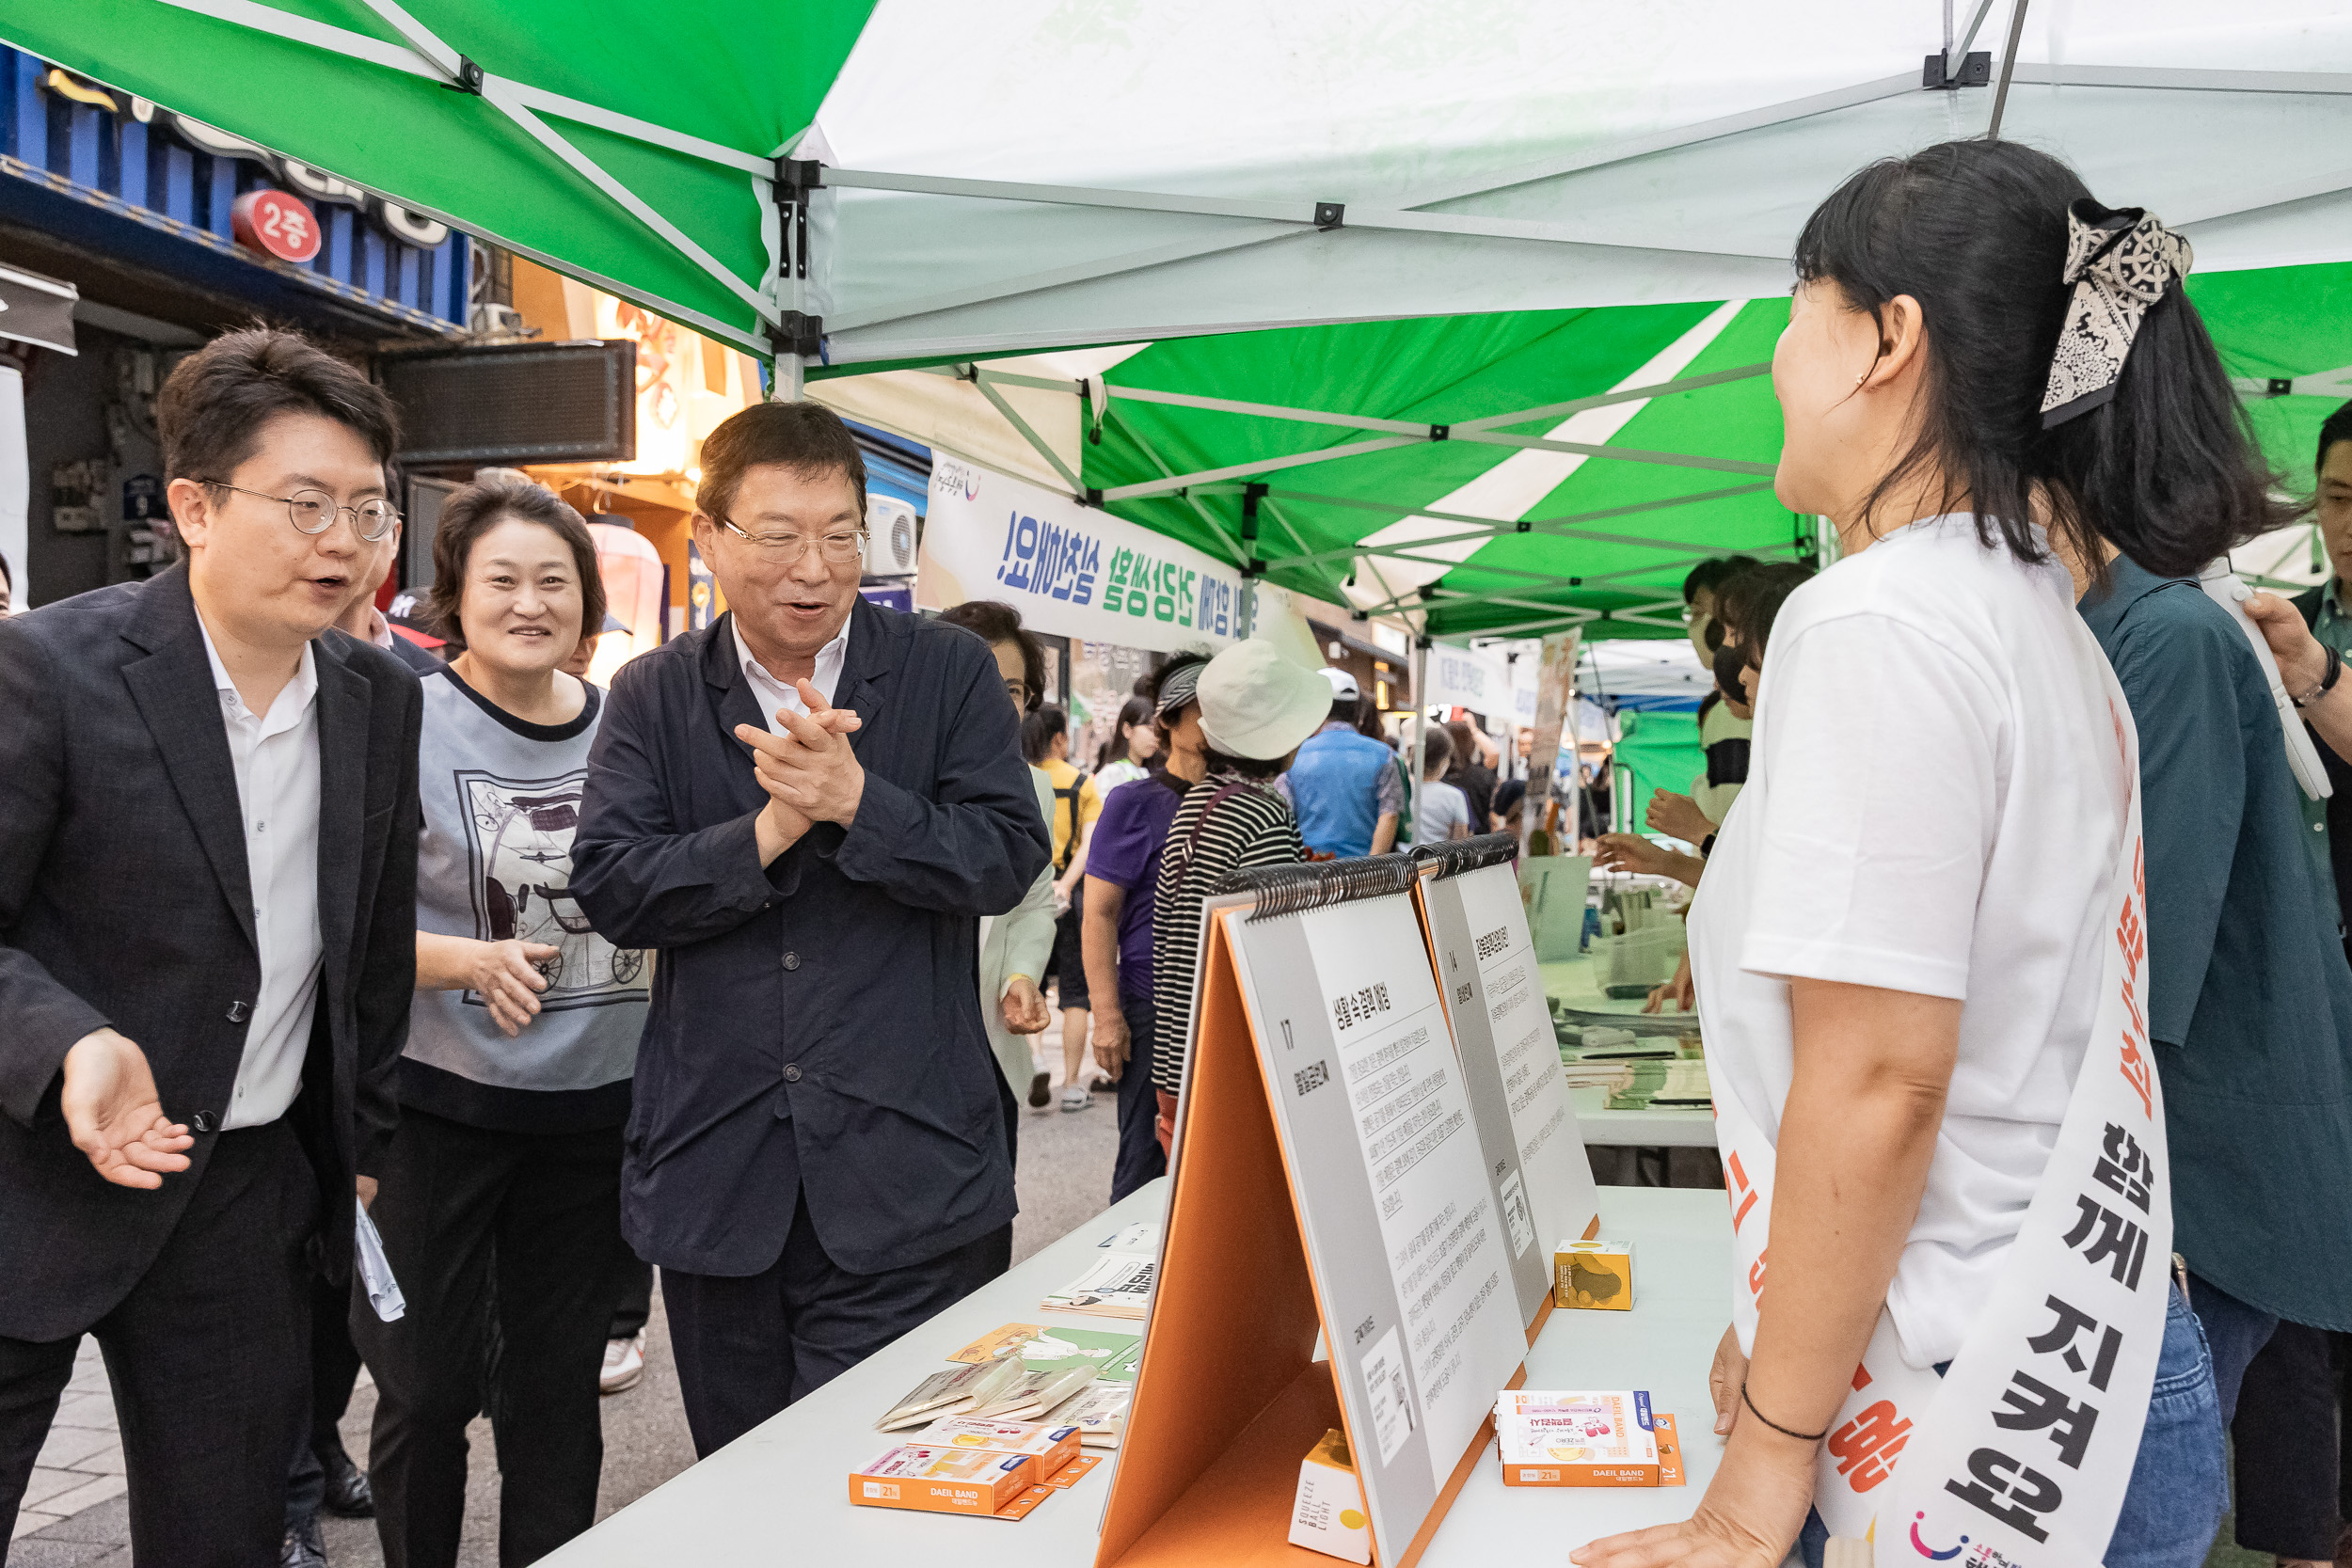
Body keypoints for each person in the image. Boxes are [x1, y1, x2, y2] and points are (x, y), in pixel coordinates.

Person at [1575, 142, 2243, 1568]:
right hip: (2080, 1367)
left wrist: (1763, 1460)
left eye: (1799, 299)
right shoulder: (2034, 621)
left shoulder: (1881, 621)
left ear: (1889, 337)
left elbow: (1882, 1077)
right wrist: (1782, 1350)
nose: (1774, 347)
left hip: (1960, 1429)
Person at [0, 326, 422, 1562]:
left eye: (367, 510)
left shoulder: (375, 697)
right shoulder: (50, 672)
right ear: (193, 505)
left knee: (225, 1531)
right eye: (304, 504)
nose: (341, 540)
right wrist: (70, 1043)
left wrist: (361, 1142)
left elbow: (372, 947)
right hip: (27, 1175)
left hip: (240, 1191)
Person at [569, 401, 1047, 1460]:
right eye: (777, 533)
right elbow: (612, 885)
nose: (812, 566)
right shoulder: (652, 693)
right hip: (718, 1178)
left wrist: (857, 800)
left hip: (911, 1172)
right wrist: (773, 825)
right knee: (746, 1481)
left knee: (889, 1487)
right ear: (709, 538)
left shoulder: (945, 672)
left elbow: (1007, 854)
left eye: (840, 532)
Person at [352, 475, 647, 1568]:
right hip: (439, 1109)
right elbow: (339, 919)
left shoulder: (631, 731)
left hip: (592, 1115)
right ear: (455, 596)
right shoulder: (402, 718)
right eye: (502, 580)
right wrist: (463, 958)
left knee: (554, 1391)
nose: (530, 603)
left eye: (554, 581)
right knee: (427, 1387)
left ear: (586, 601)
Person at [1150, 641, 1327, 1152]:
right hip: (1228, 1065)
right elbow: (1274, 948)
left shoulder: (1200, 801)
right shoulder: (1264, 814)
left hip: (1176, 1058)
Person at [1079, 654, 1209, 1202]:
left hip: (1223, 1003)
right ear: (1170, 721)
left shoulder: (1252, 803)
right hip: (1152, 1006)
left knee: (1211, 1162)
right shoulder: (1135, 802)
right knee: (1144, 1161)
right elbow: (1099, 912)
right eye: (1205, 711)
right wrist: (1106, 1015)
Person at [934, 599, 1058, 1117]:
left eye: (1010, 690)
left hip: (988, 1054)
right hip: (891, 1065)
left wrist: (1020, 976)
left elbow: (1032, 902)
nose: (991, 703)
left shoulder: (1035, 790)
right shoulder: (875, 783)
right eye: (970, 680)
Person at [1025, 705, 1102, 1111]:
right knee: (1075, 991)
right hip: (1070, 895)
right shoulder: (1082, 784)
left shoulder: (1022, 779)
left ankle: (1036, 1058)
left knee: (1028, 979)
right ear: (1059, 739)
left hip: (1027, 891)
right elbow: (1090, 844)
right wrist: (1067, 884)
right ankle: (1072, 1084)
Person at [1279, 667, 1402, 857]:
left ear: (1318, 709)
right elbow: (1390, 814)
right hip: (1365, 872)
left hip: (1308, 869)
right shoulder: (1383, 755)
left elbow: (1283, 815)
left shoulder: (1292, 755)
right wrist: (1372, 868)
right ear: (1357, 710)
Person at [1410, 725, 1470, 846]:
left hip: (1403, 862)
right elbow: (1460, 843)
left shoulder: (1403, 790)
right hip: (1438, 861)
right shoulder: (1454, 796)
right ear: (1443, 760)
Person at [1093, 694, 1157, 792]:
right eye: (1150, 729)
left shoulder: (1148, 773)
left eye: (1159, 732)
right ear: (1127, 729)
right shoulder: (1112, 774)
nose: (1156, 737)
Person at [1442, 718, 1497, 830]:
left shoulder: (1437, 778)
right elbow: (1494, 752)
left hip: (1441, 843)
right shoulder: (1483, 775)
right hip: (1479, 842)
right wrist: (1474, 729)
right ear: (1471, 743)